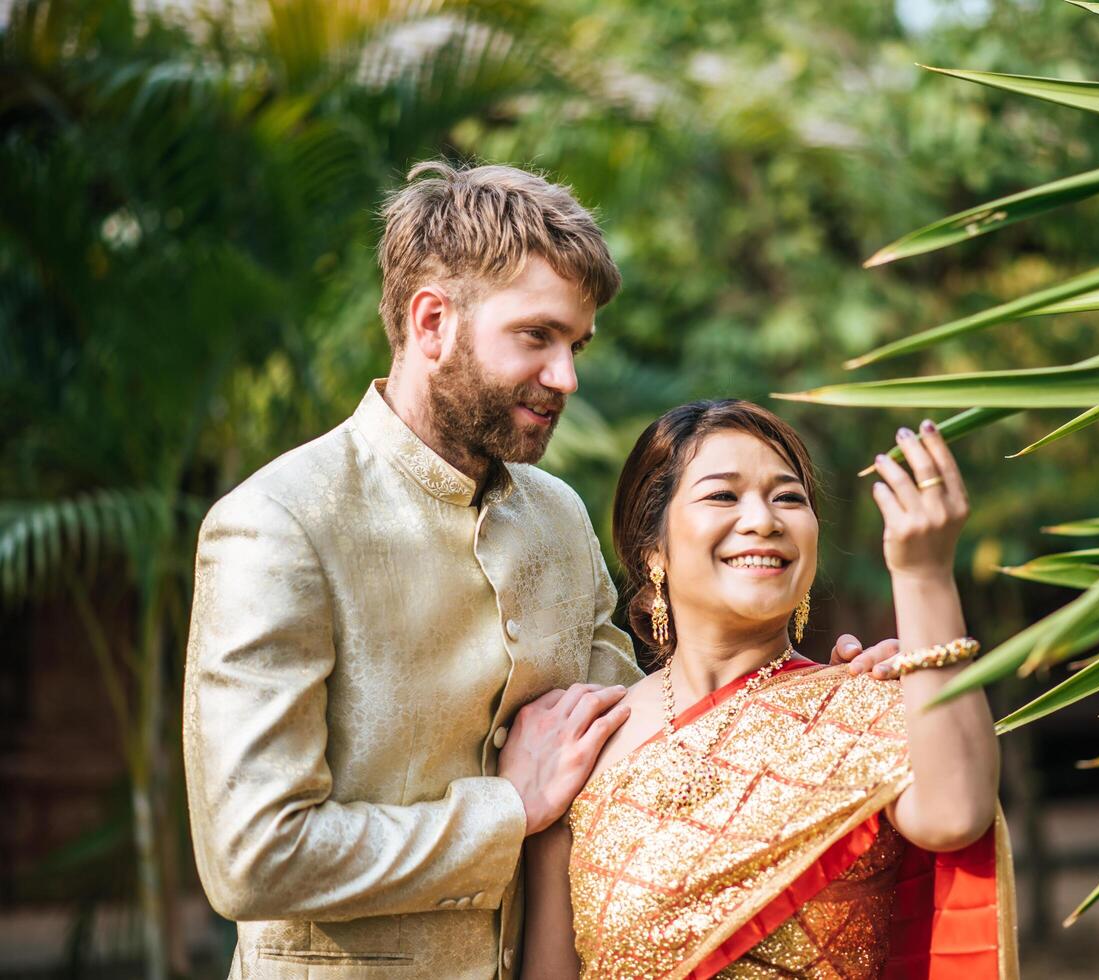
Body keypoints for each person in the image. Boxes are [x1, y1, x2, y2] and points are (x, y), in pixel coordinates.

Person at [181, 162, 896, 980]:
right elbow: (251, 856)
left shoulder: (554, 515)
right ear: (431, 322)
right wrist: (508, 811)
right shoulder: (280, 523)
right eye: (537, 337)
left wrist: (821, 706)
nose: (566, 378)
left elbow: (652, 742)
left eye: (575, 344)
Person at [521, 400, 1019, 979]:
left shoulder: (861, 704)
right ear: (652, 546)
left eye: (788, 497)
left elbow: (955, 815)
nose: (763, 519)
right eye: (722, 496)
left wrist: (923, 575)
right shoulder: (584, 740)